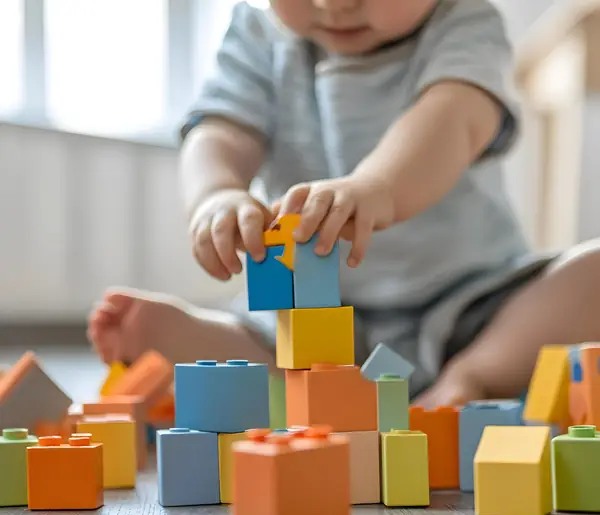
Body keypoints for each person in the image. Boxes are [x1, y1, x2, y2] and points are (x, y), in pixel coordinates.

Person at [87, 0, 600, 408]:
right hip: (311, 318)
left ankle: (474, 378)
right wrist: (215, 194)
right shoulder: (258, 34)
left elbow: (455, 118)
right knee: (270, 339)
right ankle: (207, 343)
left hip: (474, 305)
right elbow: (221, 130)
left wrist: (377, 186)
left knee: (589, 273)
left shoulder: (465, 22)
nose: (334, 3)